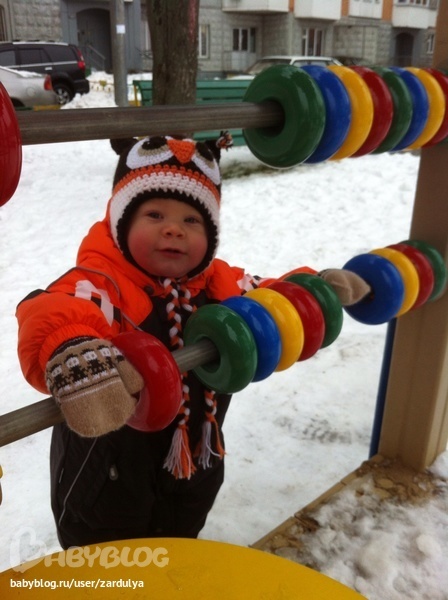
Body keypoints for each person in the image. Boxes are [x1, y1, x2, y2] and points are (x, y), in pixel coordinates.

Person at [16, 134, 369, 549]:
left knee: (179, 542)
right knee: (111, 562)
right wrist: (70, 345)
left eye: (191, 221)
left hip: (195, 466)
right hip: (106, 480)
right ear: (121, 222)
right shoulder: (103, 284)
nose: (173, 229)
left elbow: (271, 299)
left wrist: (314, 290)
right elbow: (55, 310)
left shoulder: (221, 284)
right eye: (154, 214)